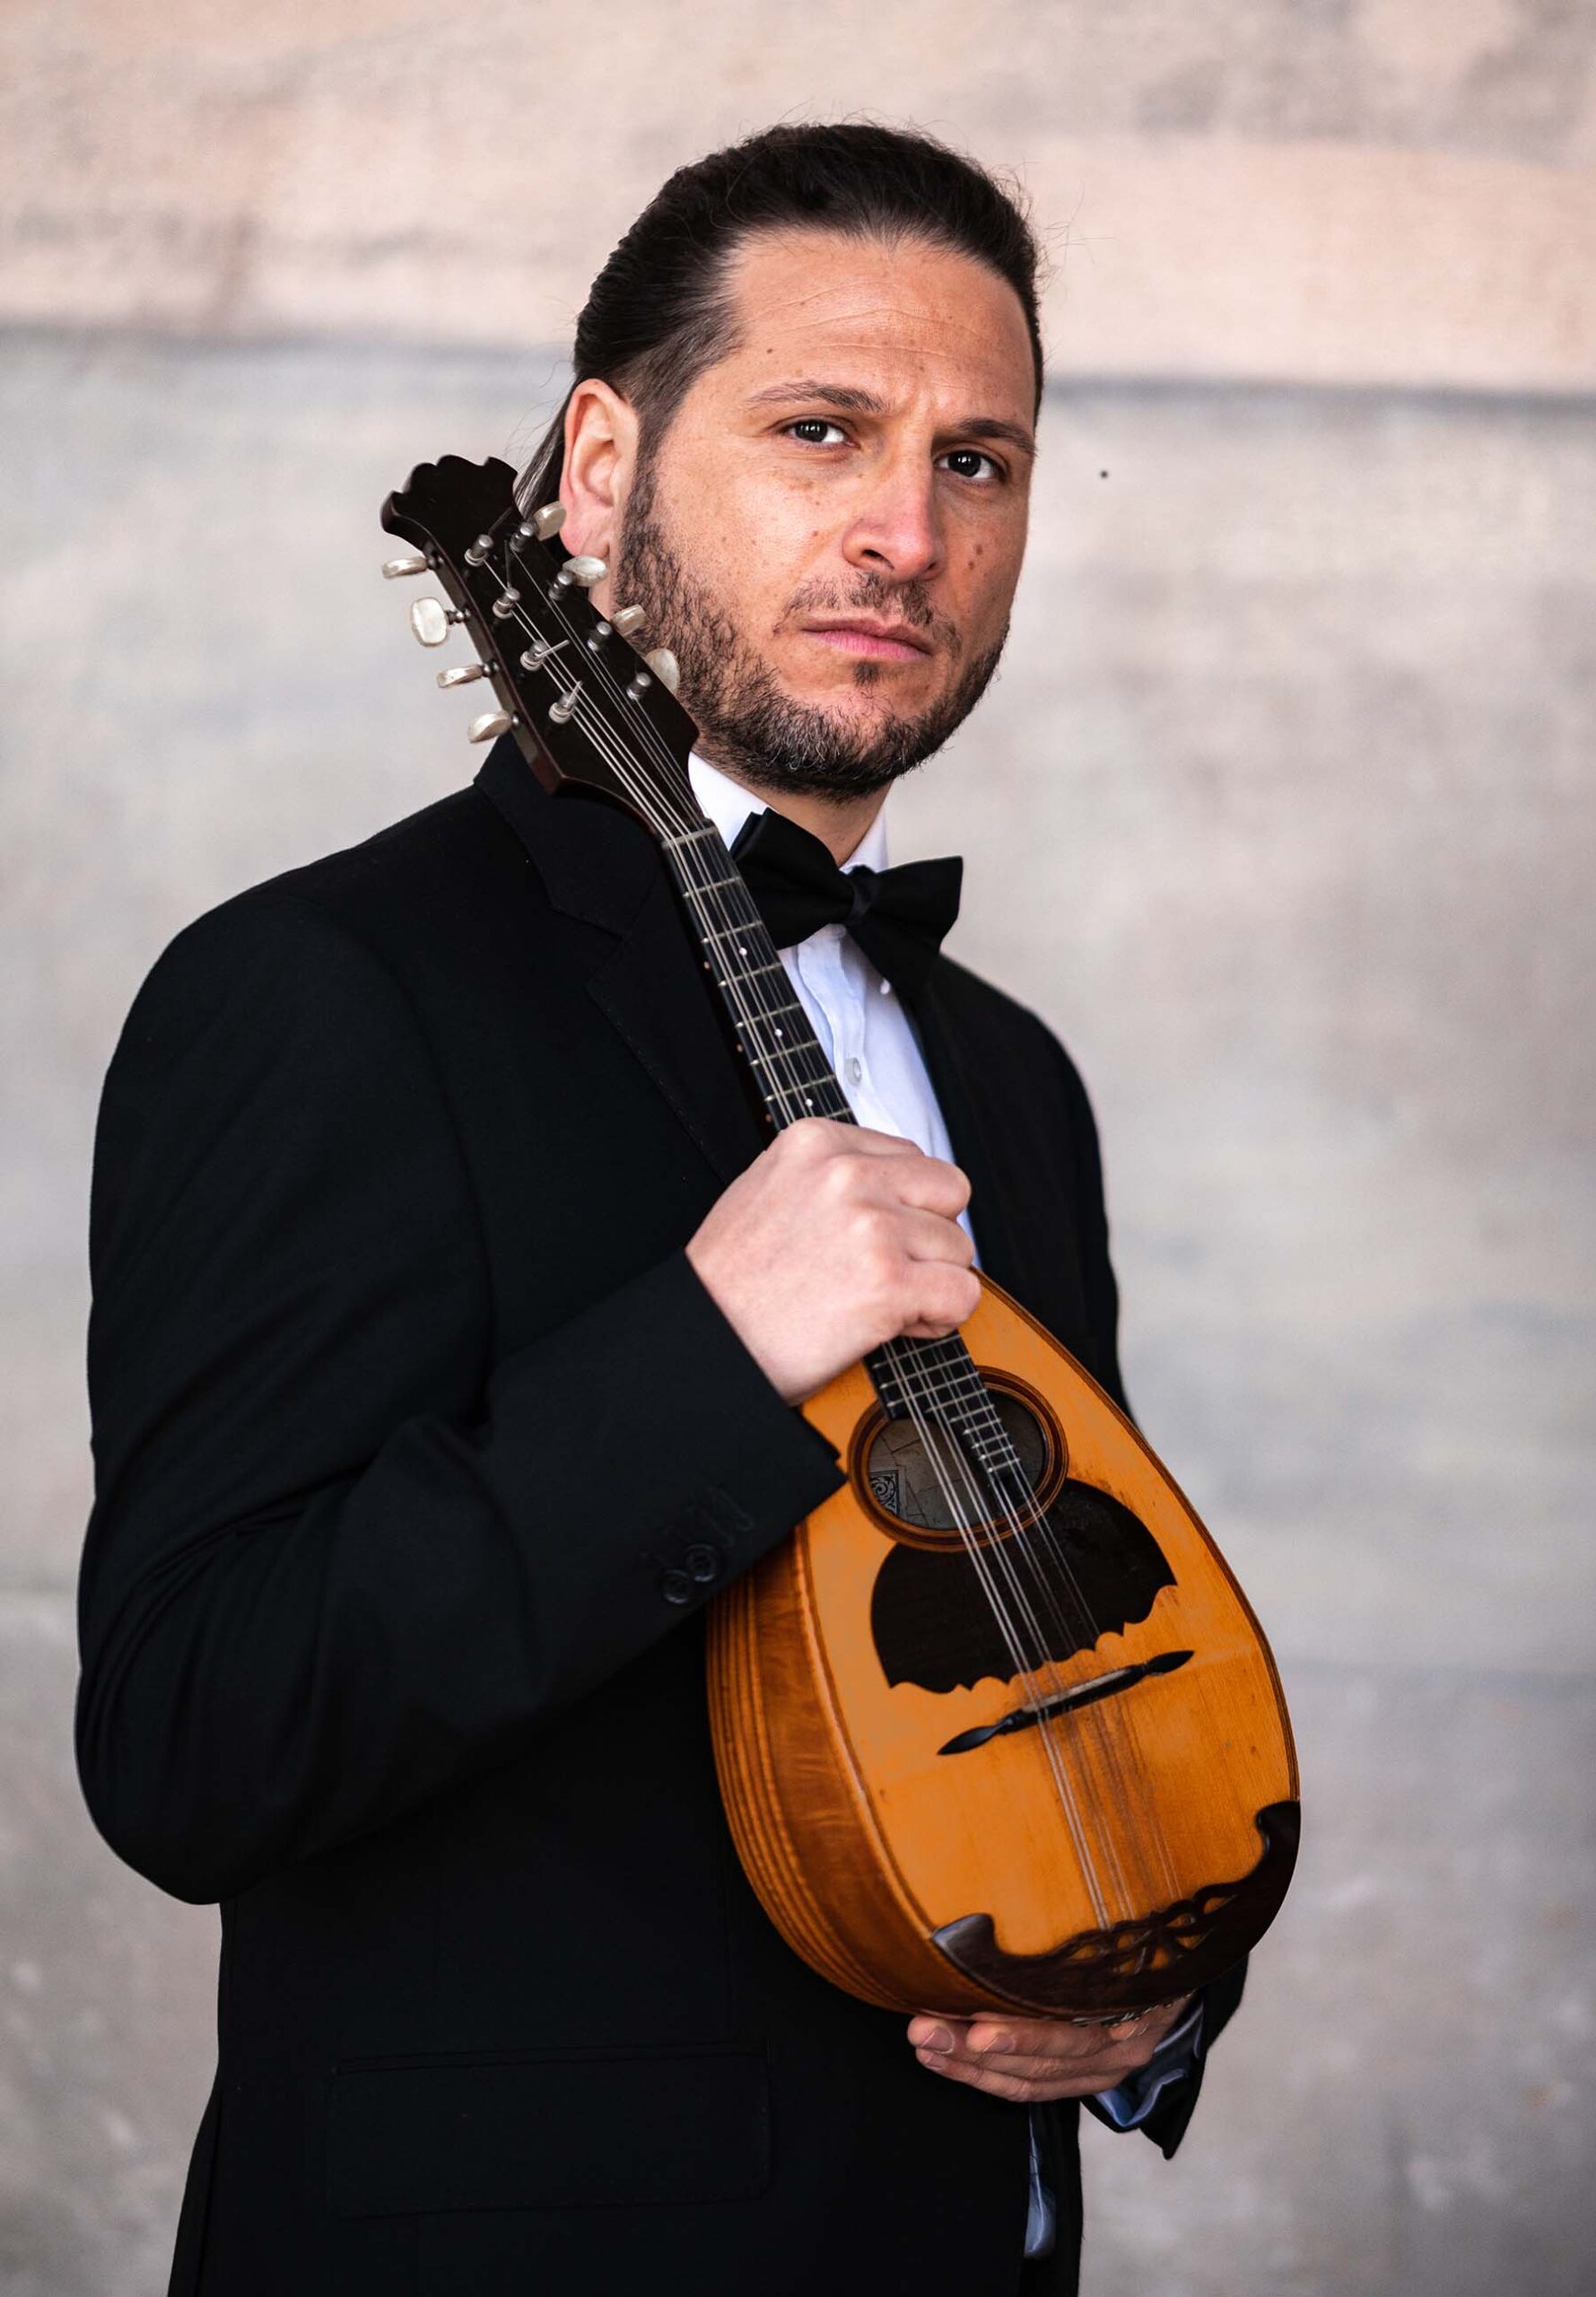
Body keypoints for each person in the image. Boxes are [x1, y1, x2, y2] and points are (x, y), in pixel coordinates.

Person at [76, 122, 1246, 2297]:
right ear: (599, 473)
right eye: (821, 430)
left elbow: (1062, 1634)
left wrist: (1147, 1995)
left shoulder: (1009, 1076)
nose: (905, 529)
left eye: (975, 461)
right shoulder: (322, 991)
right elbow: (192, 1731)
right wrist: (703, 1354)